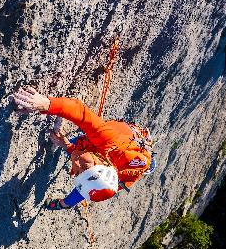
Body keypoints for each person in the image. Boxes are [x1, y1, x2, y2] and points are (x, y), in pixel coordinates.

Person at [13, 86, 154, 209]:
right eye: (85, 166)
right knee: (80, 145)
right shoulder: (110, 142)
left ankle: (63, 205)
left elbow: (84, 183)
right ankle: (63, 205)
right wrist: (47, 104)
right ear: (104, 162)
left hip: (128, 166)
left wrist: (67, 145)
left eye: (79, 172)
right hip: (127, 143)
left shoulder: (105, 184)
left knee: (84, 188)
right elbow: (80, 112)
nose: (75, 163)